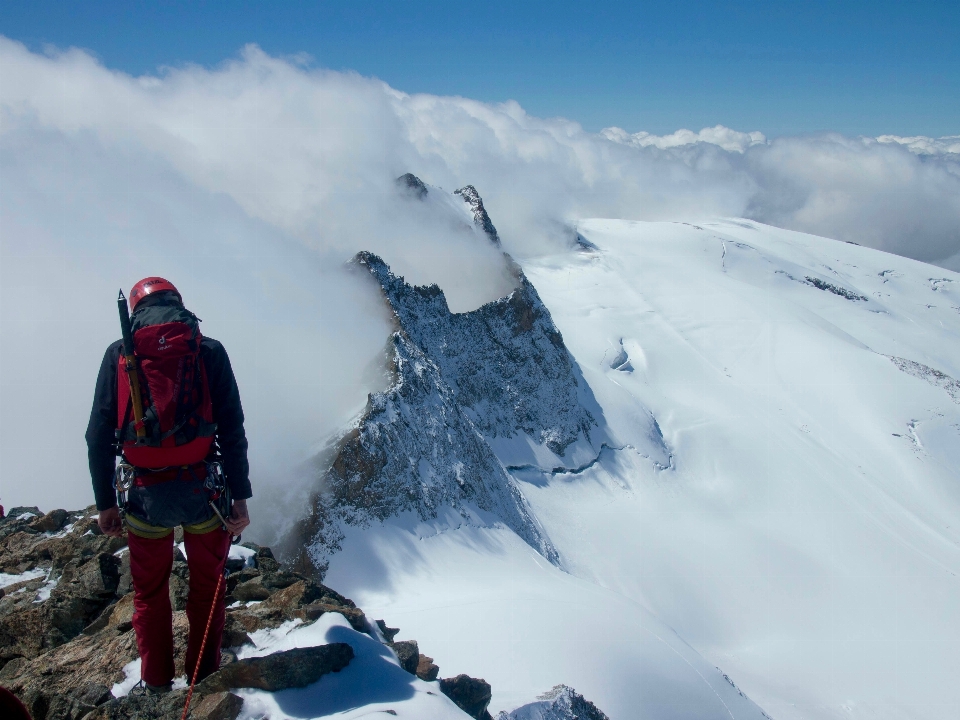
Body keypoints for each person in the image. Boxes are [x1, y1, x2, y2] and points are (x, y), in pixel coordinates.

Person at [85, 277, 252, 693]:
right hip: (205, 495)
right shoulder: (206, 348)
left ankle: (156, 682)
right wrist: (241, 497)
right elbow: (231, 427)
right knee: (206, 588)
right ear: (178, 303)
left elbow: (98, 433)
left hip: (144, 496)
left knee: (150, 593)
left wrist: (106, 502)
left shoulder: (120, 353)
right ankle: (204, 678)